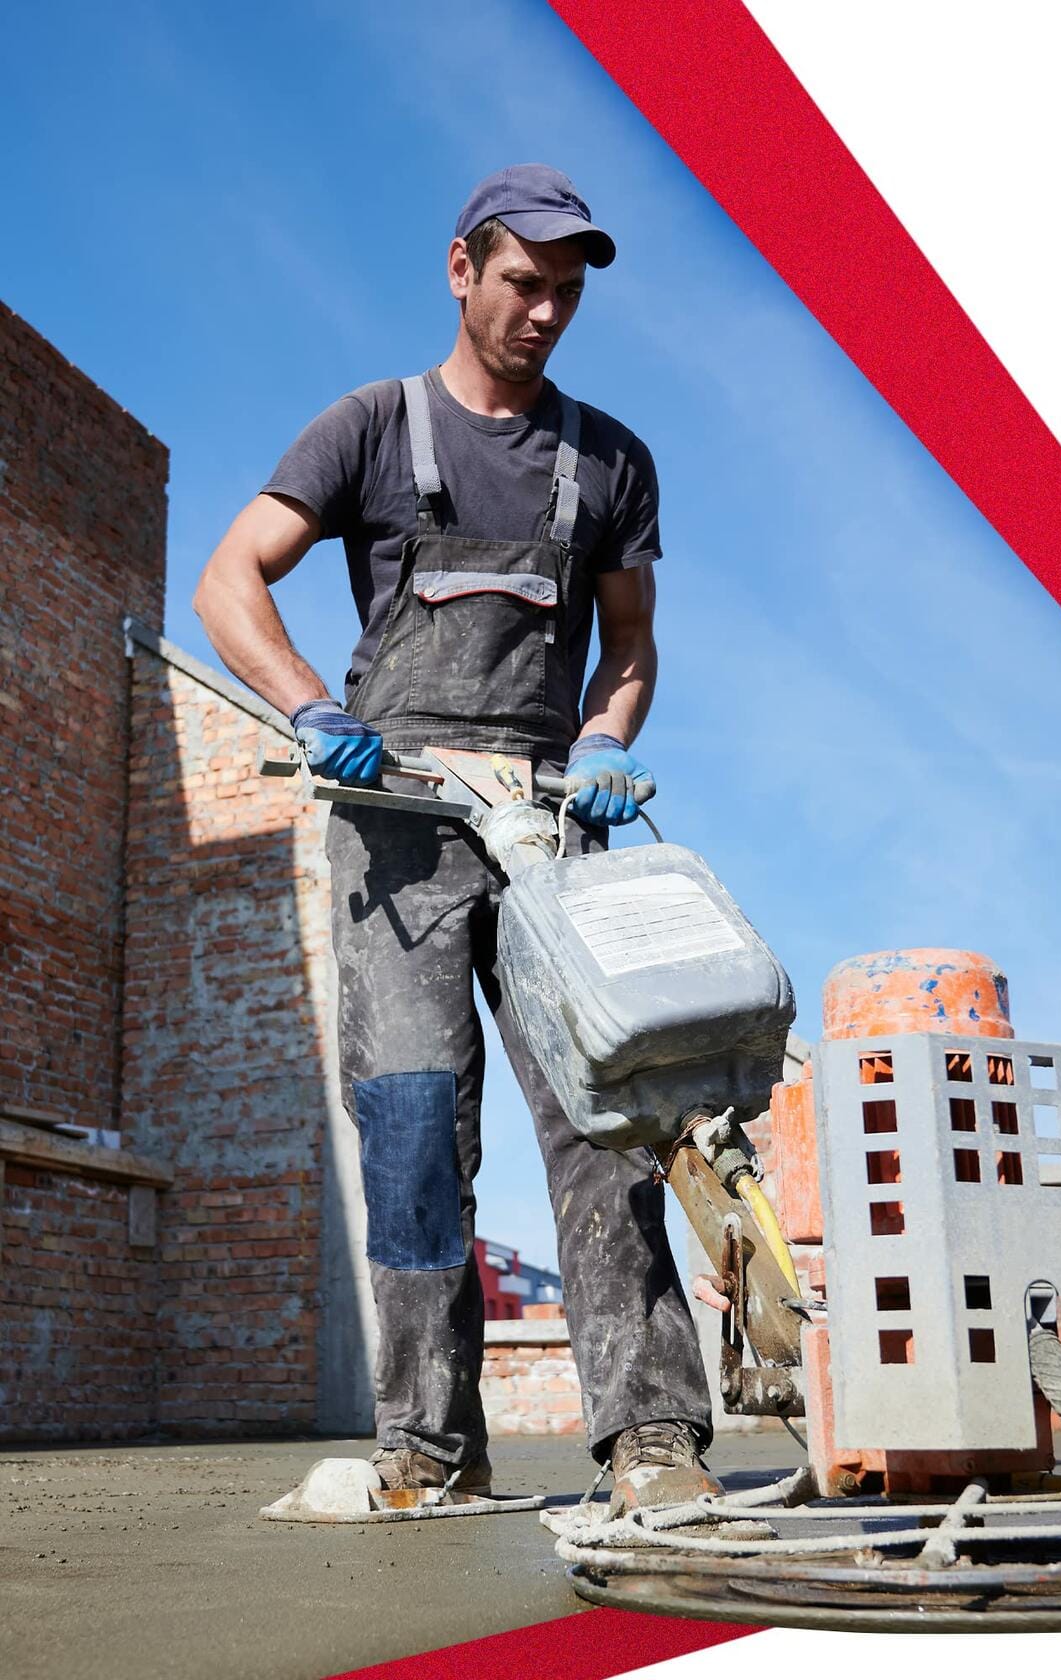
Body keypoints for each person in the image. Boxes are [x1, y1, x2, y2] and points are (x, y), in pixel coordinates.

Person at [193, 164, 717, 1513]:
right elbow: (227, 577)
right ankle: (427, 1448)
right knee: (416, 1130)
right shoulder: (371, 428)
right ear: (461, 269)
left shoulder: (609, 460)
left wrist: (604, 744)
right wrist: (313, 709)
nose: (547, 310)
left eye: (568, 290)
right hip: (401, 829)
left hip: (548, 829)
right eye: (525, 281)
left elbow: (633, 647)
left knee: (607, 1122)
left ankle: (651, 1439)